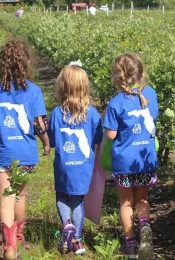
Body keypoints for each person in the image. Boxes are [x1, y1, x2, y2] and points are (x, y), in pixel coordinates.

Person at [0, 39, 50, 260]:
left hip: (3, 152)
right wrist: (46, 142)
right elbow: (39, 123)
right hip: (25, 153)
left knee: (5, 197)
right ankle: (19, 236)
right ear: (27, 63)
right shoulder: (34, 91)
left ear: (1, 65)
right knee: (20, 194)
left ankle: (9, 247)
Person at [103, 53, 159, 259]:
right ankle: (145, 228)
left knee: (126, 203)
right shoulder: (151, 94)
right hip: (145, 160)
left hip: (125, 163)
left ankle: (130, 245)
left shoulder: (116, 102)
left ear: (118, 77)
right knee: (142, 198)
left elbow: (111, 134)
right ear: (141, 73)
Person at [48, 62, 103, 255]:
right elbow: (98, 139)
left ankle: (66, 225)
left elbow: (53, 140)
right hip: (83, 167)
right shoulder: (93, 114)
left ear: (62, 87)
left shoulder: (56, 113)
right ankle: (77, 241)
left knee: (62, 196)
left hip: (63, 166)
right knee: (78, 201)